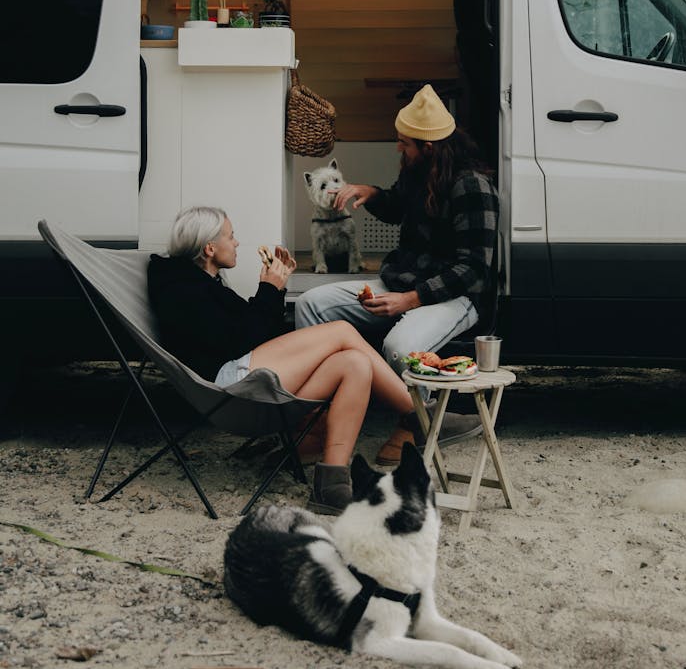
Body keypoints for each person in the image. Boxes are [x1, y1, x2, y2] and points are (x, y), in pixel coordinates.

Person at [147, 205, 425, 516]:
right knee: (343, 331)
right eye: (231, 236)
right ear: (210, 248)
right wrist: (269, 289)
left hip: (245, 375)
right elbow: (241, 341)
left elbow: (255, 332)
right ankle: (419, 415)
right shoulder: (182, 290)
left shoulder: (201, 283)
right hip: (231, 387)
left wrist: (274, 291)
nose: (237, 243)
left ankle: (330, 484)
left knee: (354, 362)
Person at [295, 83, 498, 462]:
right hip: (401, 283)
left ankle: (415, 424)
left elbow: (473, 269)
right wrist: (370, 192)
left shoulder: (473, 187)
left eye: (404, 143)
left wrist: (411, 300)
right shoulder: (418, 170)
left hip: (455, 296)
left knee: (399, 347)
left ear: (430, 146)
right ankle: (317, 416)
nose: (398, 148)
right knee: (311, 304)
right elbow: (395, 207)